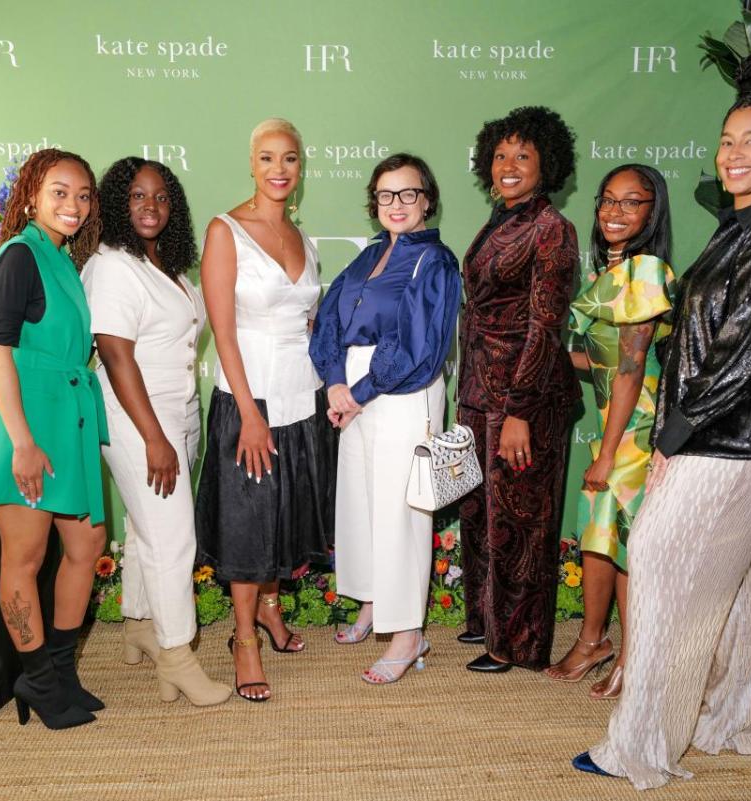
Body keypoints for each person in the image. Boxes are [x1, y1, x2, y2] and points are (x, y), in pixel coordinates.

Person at [576, 48, 751, 788]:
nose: (734, 153)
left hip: (736, 437)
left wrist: (670, 439)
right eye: (727, 140)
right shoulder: (747, 222)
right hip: (745, 437)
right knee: (742, 576)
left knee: (657, 560)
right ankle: (731, 718)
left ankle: (641, 745)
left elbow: (739, 355)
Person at [0, 149, 106, 729]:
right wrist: (21, 442)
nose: (73, 204)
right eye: (60, 192)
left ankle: (60, 671)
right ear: (32, 195)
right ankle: (38, 680)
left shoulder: (63, 258)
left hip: (64, 419)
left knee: (86, 548)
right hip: (25, 425)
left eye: (83, 194)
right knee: (25, 557)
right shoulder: (20, 254)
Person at [194, 118, 336, 702]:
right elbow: (223, 333)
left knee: (284, 515)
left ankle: (274, 612)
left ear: (301, 169)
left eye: (291, 160)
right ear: (251, 163)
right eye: (268, 158)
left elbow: (310, 321)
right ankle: (244, 639)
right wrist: (250, 414)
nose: (280, 170)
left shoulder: (306, 240)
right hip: (250, 401)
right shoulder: (226, 230)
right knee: (250, 524)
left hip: (303, 398)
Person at [82, 157, 230, 706]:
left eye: (162, 197)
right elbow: (117, 356)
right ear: (119, 203)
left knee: (150, 530)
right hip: (138, 415)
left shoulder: (163, 262)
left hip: (177, 409)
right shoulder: (113, 265)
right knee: (173, 538)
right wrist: (154, 437)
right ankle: (177, 654)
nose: (151, 206)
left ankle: (141, 623)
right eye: (138, 196)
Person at [309, 154, 461, 684]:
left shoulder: (434, 261)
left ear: (427, 200)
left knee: (401, 514)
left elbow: (420, 345)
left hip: (401, 392)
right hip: (354, 391)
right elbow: (328, 320)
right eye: (385, 195)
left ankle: (407, 634)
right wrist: (333, 381)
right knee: (361, 501)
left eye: (407, 194)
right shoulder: (371, 254)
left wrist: (360, 391)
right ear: (374, 204)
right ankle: (374, 604)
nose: (396, 205)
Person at [458, 106, 582, 672]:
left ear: (546, 164)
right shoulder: (504, 219)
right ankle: (487, 624)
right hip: (483, 393)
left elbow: (543, 325)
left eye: (523, 156)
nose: (508, 165)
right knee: (485, 512)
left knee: (522, 524)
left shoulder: (551, 228)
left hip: (522, 399)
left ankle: (518, 645)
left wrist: (519, 413)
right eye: (501, 154)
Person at [545, 164, 675, 699]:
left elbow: (629, 370)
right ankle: (594, 641)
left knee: (620, 541)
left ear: (652, 212)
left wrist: (609, 453)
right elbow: (598, 360)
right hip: (611, 423)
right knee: (599, 539)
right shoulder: (612, 271)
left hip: (635, 428)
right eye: (608, 200)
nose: (614, 212)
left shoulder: (646, 272)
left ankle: (631, 653)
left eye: (632, 202)